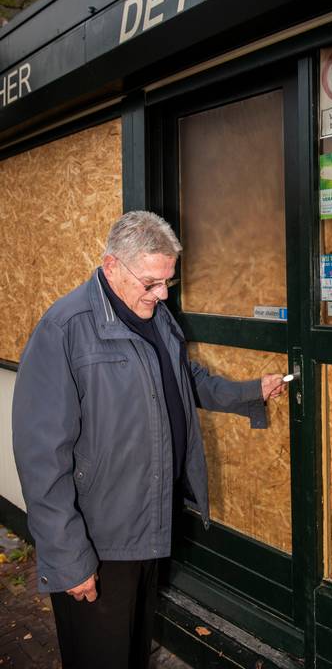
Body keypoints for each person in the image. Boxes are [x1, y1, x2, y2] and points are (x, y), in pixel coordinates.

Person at [12, 210, 285, 669]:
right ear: (111, 265)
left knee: (132, 652)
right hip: (97, 536)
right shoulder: (66, 328)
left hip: (148, 523)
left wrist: (248, 392)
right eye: (151, 283)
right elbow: (41, 456)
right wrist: (67, 556)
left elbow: (182, 378)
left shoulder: (155, 317)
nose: (161, 295)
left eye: (167, 283)